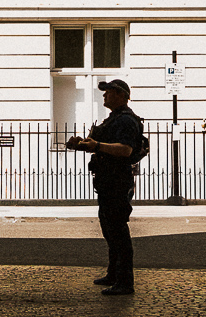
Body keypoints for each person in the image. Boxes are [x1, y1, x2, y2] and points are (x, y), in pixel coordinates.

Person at [65, 78, 142, 295]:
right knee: (109, 229)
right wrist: (82, 144)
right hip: (107, 181)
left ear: (120, 95)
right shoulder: (113, 119)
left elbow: (125, 150)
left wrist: (97, 145)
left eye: (108, 92)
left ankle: (125, 282)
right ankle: (114, 273)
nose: (104, 96)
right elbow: (102, 147)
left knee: (118, 231)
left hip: (118, 181)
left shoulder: (126, 120)